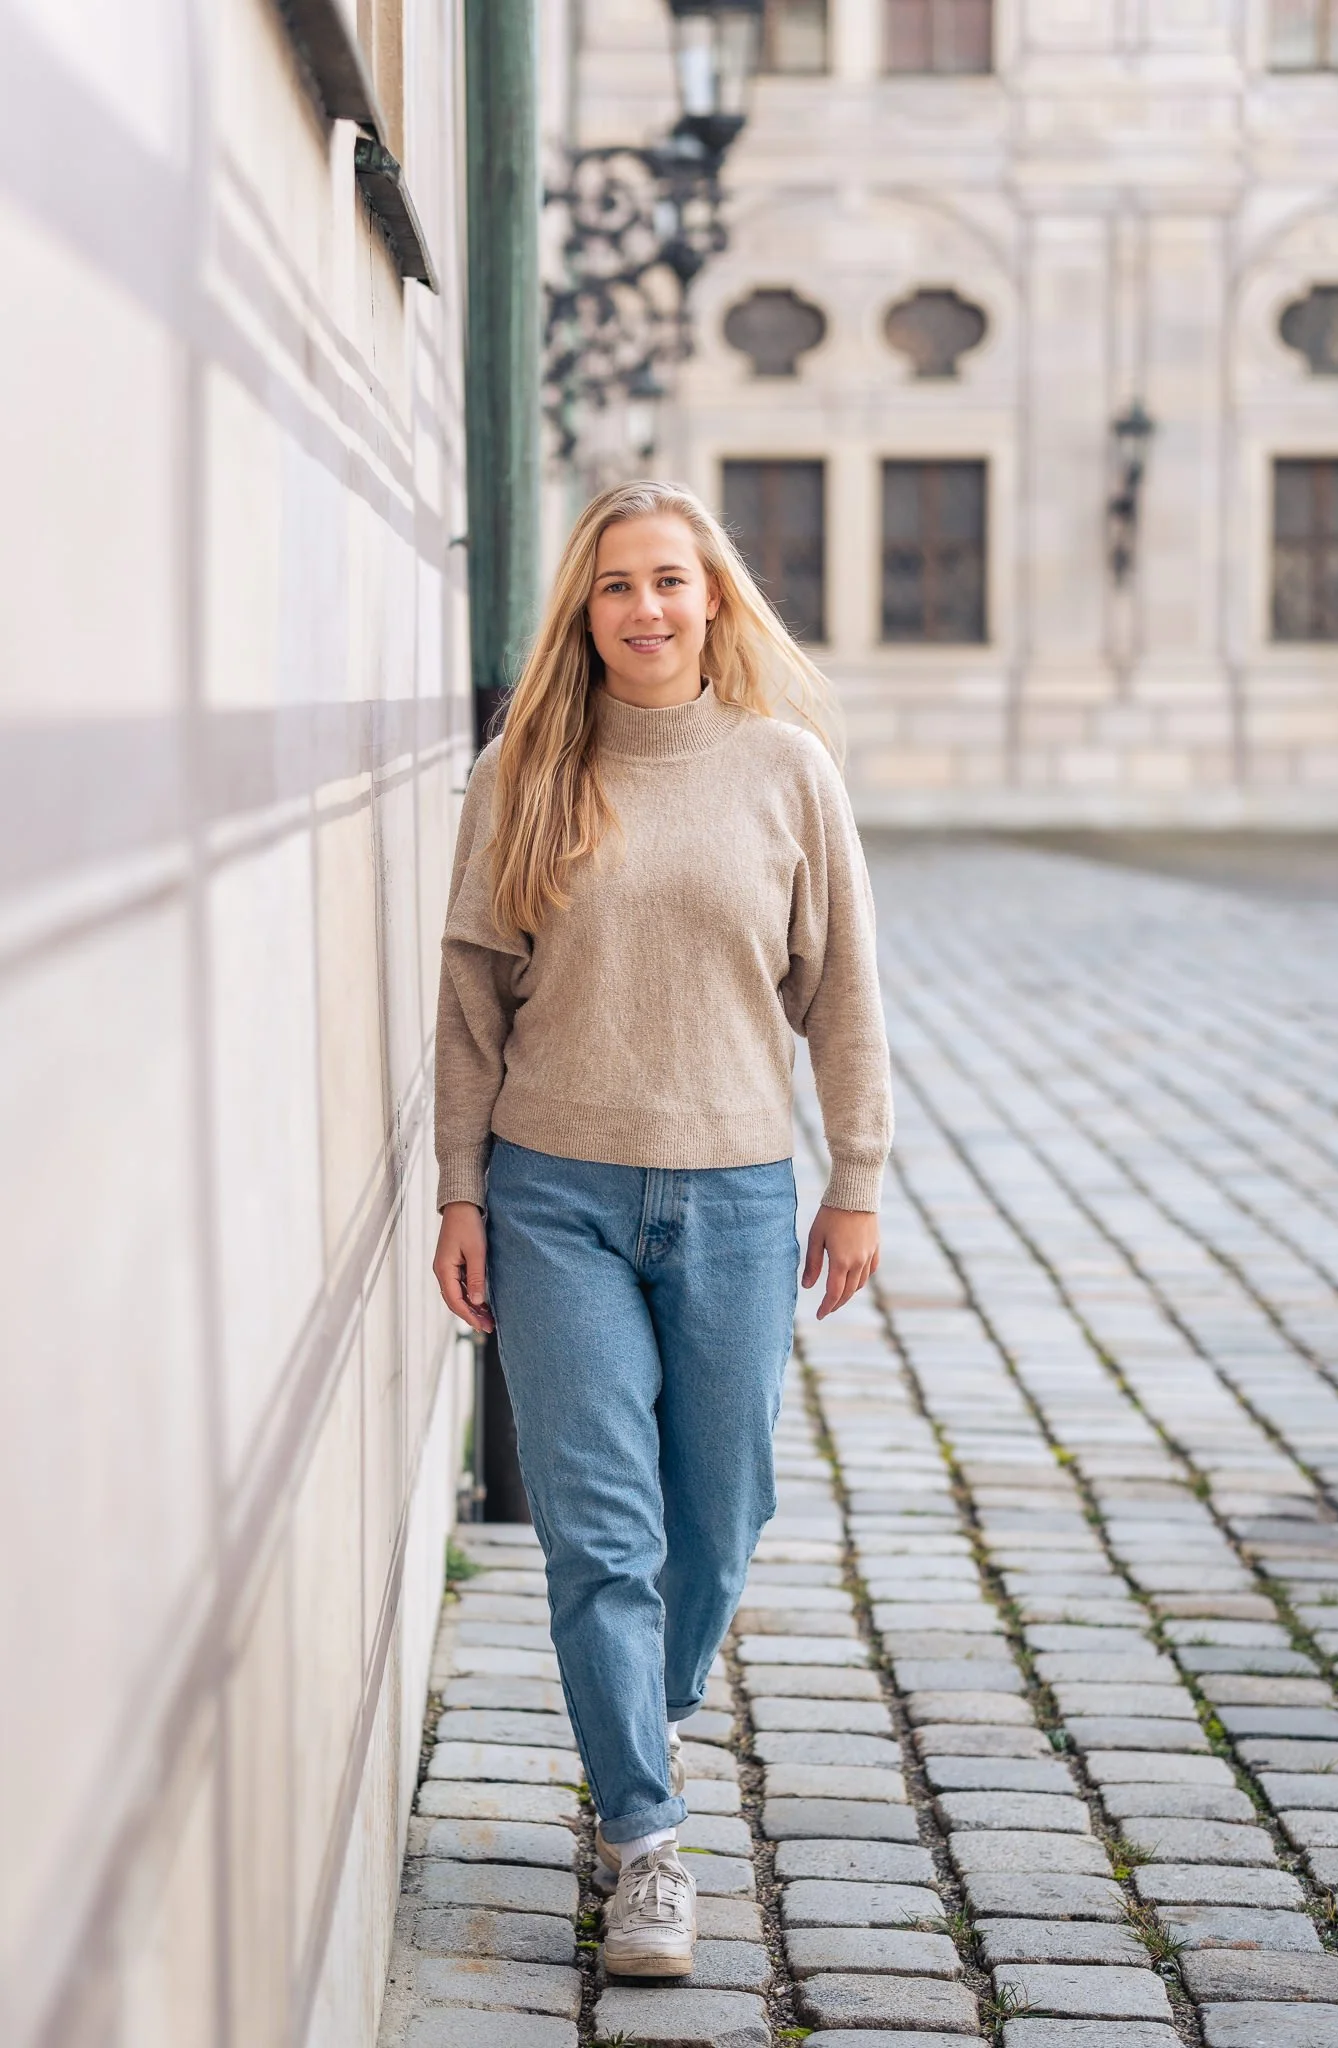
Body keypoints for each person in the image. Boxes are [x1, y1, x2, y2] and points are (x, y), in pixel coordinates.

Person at [432, 479, 891, 1979]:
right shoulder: (524, 774)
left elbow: (842, 988)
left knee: (726, 1506)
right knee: (602, 1533)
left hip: (741, 1196)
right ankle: (644, 1834)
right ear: (586, 608)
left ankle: (648, 1703)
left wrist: (857, 1176)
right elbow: (470, 1003)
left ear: (712, 600)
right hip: (551, 1193)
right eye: (616, 584)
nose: (645, 608)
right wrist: (458, 1188)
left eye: (669, 582)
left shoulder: (783, 769)